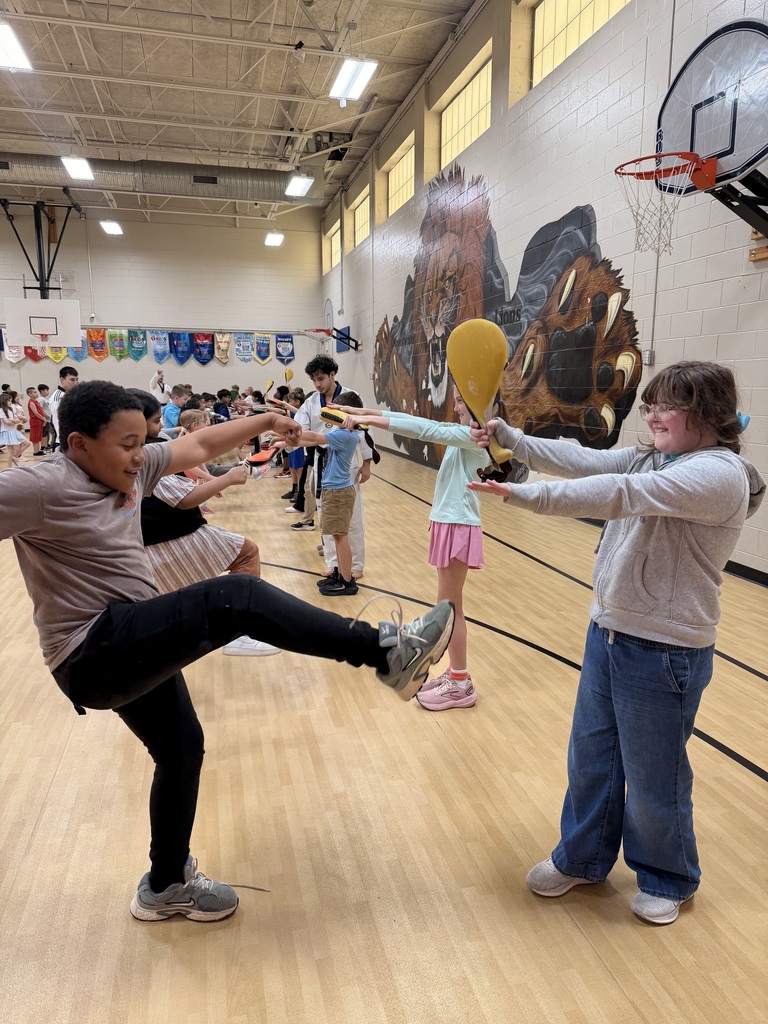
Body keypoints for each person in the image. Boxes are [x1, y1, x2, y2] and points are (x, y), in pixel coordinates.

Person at [0, 380, 455, 923]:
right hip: (92, 650)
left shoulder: (132, 466)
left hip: (132, 638)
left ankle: (165, 884)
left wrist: (264, 423)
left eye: (140, 441)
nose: (139, 454)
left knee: (182, 750)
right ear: (78, 444)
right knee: (235, 596)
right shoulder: (40, 485)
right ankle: (384, 653)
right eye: (125, 444)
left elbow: (197, 448)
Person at [468, 361, 765, 925]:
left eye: (665, 406)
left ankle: (668, 877)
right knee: (592, 759)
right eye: (650, 404)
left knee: (655, 774)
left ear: (707, 414)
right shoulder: (660, 455)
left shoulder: (719, 474)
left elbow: (622, 492)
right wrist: (509, 438)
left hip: (665, 648)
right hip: (609, 630)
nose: (651, 415)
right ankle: (581, 858)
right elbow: (585, 459)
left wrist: (525, 497)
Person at [334, 385, 490, 707]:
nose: (457, 407)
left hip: (458, 524)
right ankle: (457, 676)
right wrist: (363, 414)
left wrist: (367, 418)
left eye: (461, 402)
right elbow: (412, 419)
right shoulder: (464, 433)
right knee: (448, 608)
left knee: (448, 610)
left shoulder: (475, 437)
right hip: (451, 522)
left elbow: (422, 428)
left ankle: (459, 681)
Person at [132, 389, 279, 657]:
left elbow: (197, 455)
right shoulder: (144, 455)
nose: (162, 424)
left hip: (150, 540)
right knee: (247, 553)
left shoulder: (135, 451)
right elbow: (185, 499)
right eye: (155, 421)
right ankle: (239, 634)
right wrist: (227, 478)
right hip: (169, 537)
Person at [291, 357, 371, 582]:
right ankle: (333, 563)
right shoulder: (310, 403)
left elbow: (365, 429)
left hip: (346, 464)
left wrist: (366, 463)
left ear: (333, 374)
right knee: (326, 517)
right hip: (321, 461)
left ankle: (355, 565)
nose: (317, 384)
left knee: (351, 518)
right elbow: (300, 429)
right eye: (313, 380)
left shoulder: (350, 397)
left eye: (321, 378)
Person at [47, 365, 79, 450]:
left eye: (77, 380)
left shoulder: (70, 395)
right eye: (72, 380)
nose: (75, 383)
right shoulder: (57, 397)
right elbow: (59, 420)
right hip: (63, 441)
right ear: (62, 380)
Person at [0, 391, 31, 466]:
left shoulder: (11, 409)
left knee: (27, 443)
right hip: (8, 431)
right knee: (11, 450)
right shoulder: (1, 410)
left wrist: (11, 420)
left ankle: (15, 456)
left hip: (14, 430)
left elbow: (16, 420)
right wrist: (12, 421)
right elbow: (7, 422)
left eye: (10, 401)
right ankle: (9, 467)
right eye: (9, 401)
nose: (10, 402)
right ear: (4, 401)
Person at [26, 385, 49, 456]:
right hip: (35, 421)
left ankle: (38, 450)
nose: (37, 393)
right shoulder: (31, 403)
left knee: (39, 435)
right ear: (30, 394)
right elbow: (36, 413)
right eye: (35, 392)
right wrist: (43, 419)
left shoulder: (36, 401)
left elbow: (41, 411)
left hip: (39, 421)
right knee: (35, 436)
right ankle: (36, 451)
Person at [37, 384, 54, 450]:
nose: (48, 392)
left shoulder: (44, 399)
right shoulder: (41, 399)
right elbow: (40, 409)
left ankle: (47, 445)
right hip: (46, 419)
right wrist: (46, 416)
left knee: (47, 433)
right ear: (42, 391)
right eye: (47, 390)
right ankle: (50, 445)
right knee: (51, 433)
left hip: (49, 419)